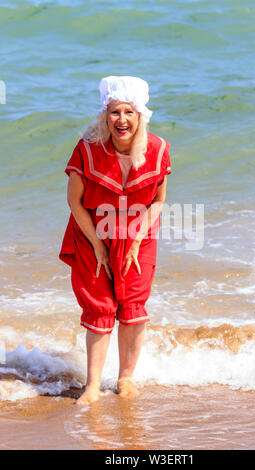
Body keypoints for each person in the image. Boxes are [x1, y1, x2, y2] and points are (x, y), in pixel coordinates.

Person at [59, 76, 171, 405]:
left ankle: (126, 378)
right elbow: (75, 202)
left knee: (133, 306)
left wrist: (136, 242)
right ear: (104, 116)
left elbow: (158, 202)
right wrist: (98, 246)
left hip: (139, 234)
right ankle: (93, 385)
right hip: (91, 232)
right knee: (100, 308)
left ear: (140, 116)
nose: (121, 120)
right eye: (114, 112)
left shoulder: (157, 149)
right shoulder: (88, 148)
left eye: (129, 112)